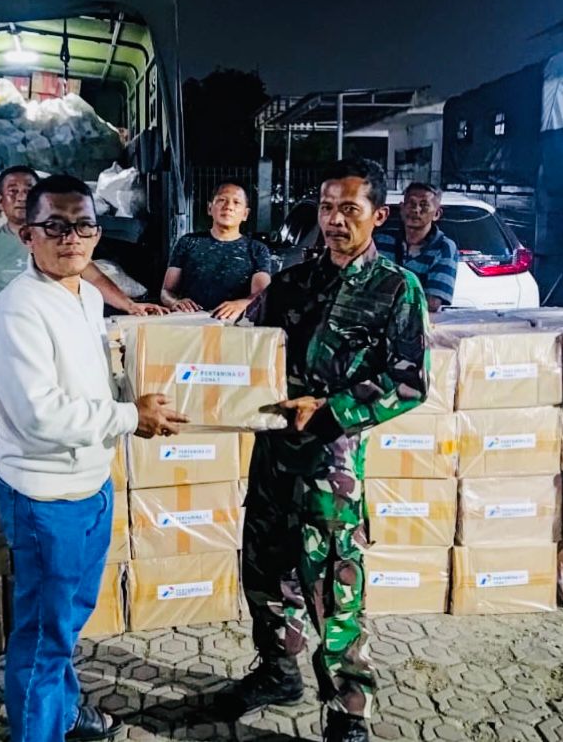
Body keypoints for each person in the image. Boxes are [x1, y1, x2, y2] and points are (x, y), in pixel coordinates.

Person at [215, 160, 429, 742]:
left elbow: (410, 381)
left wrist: (332, 407)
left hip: (329, 466)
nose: (335, 220)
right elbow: (246, 354)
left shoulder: (396, 289)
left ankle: (348, 710)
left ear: (378, 216)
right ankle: (278, 672)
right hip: (272, 456)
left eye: (349, 209)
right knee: (264, 575)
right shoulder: (291, 282)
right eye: (328, 208)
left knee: (334, 589)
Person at [0, 174, 189, 742]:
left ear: (97, 234)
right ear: (27, 235)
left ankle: (64, 713)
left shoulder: (88, 296)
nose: (70, 237)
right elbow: (39, 416)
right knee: (44, 633)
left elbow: (95, 381)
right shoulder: (18, 310)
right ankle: (38, 731)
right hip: (45, 496)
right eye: (54, 226)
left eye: (82, 225)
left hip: (91, 483)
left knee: (68, 616)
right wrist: (128, 417)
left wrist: (136, 398)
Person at [0, 165, 166, 326]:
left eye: (29, 190)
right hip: (2, 325)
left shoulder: (62, 239)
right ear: (0, 201)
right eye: (13, 191)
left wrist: (130, 306)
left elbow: (94, 277)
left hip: (54, 323)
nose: (22, 197)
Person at [160, 182, 272, 321]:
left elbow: (262, 294)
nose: (228, 207)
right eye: (222, 200)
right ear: (209, 208)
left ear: (245, 214)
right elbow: (166, 291)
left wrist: (241, 304)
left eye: (236, 202)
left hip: (235, 324)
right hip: (190, 322)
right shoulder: (187, 242)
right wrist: (175, 302)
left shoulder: (257, 249)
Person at [374, 182, 458, 312]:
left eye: (424, 205)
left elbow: (432, 303)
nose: (416, 210)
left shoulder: (444, 248)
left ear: (437, 214)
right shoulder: (381, 241)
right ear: (402, 208)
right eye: (411, 204)